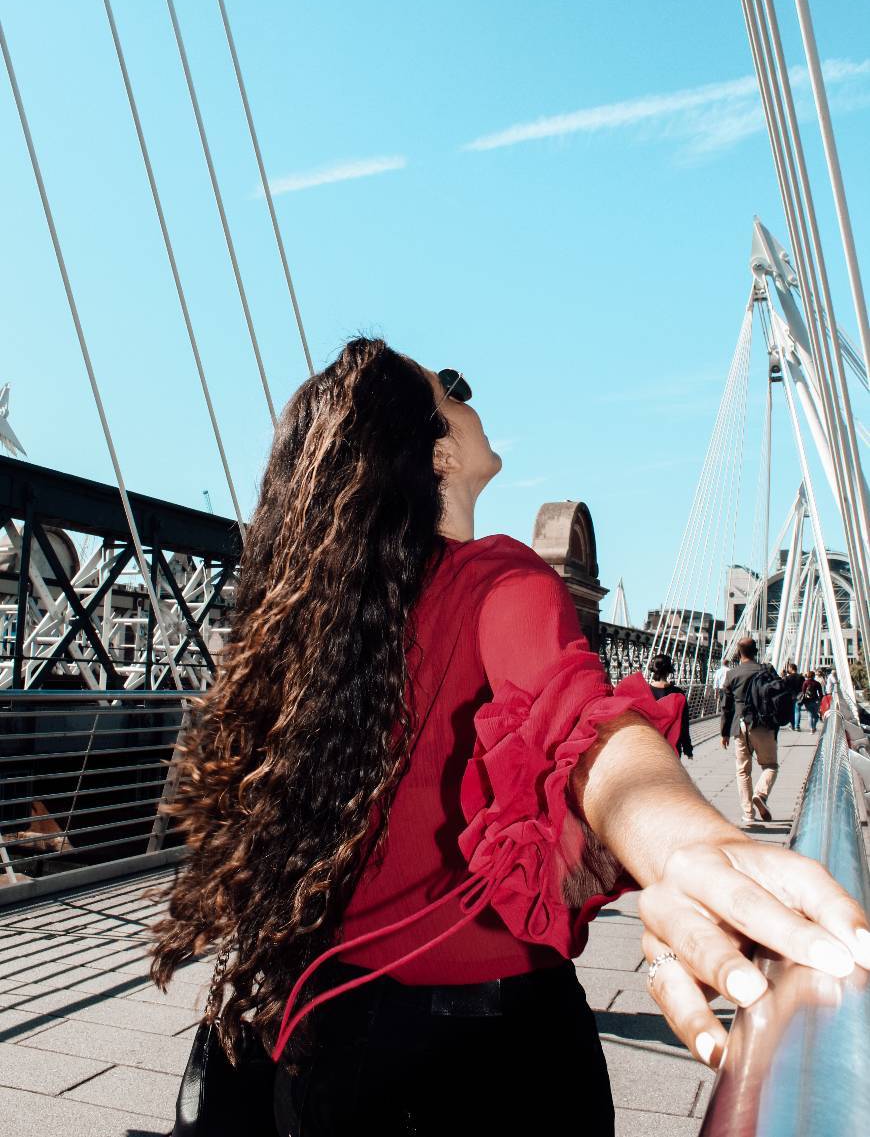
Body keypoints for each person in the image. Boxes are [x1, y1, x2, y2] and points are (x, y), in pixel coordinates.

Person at [149, 341, 870, 1136]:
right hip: (488, 1058)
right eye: (447, 390)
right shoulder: (505, 578)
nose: (466, 395)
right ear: (440, 453)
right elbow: (574, 714)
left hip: (334, 1039)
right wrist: (684, 841)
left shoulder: (339, 617)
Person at [720, 637, 778, 827]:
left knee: (743, 771)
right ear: (756, 651)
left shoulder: (732, 675)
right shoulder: (767, 671)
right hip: (763, 725)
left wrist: (724, 732)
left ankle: (748, 814)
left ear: (739, 653)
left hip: (740, 726)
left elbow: (726, 707)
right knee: (770, 766)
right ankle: (760, 794)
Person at [648, 653, 693, 759]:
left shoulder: (645, 692)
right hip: (672, 746)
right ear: (669, 671)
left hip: (650, 746)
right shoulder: (678, 693)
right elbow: (683, 724)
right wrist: (687, 749)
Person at [783, 660, 805, 731]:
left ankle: (792, 725)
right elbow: (803, 687)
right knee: (797, 711)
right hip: (799, 696)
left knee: (791, 711)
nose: (788, 669)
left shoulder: (787, 678)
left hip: (790, 697)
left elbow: (784, 687)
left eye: (789, 668)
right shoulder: (801, 677)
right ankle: (797, 726)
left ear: (791, 668)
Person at [802, 669, 824, 735]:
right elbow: (820, 693)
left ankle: (811, 729)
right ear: (814, 676)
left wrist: (803, 701)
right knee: (816, 716)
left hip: (807, 701)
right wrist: (821, 701)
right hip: (816, 701)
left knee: (810, 715)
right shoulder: (817, 683)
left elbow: (803, 692)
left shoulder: (805, 683)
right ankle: (814, 727)